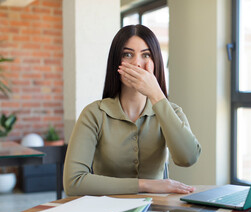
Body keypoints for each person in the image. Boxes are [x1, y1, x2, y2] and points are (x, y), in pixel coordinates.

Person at [63, 24, 201, 196]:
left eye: (146, 55)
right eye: (128, 54)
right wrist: (146, 185)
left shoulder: (171, 111)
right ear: (116, 62)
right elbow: (73, 182)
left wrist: (156, 94)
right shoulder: (93, 114)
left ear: (156, 62)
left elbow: (188, 158)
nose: (136, 63)